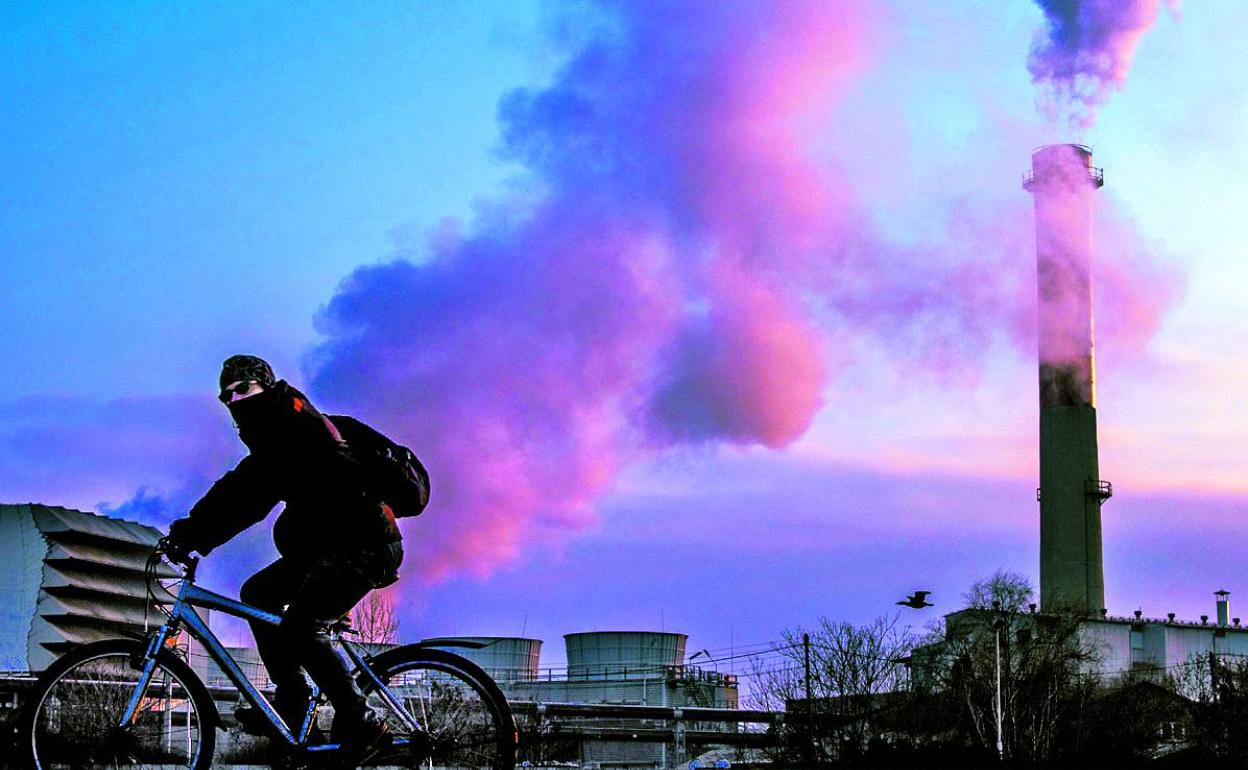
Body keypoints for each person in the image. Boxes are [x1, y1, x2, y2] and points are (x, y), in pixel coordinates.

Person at [165, 355, 405, 757]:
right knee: (258, 592)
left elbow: (245, 497)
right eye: (227, 395)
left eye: (244, 389)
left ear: (267, 387)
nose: (235, 399)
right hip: (330, 548)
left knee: (302, 626)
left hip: (364, 547)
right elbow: (242, 488)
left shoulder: (292, 431)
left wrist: (191, 534)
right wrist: (193, 532)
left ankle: (360, 720)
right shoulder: (275, 433)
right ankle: (292, 701)